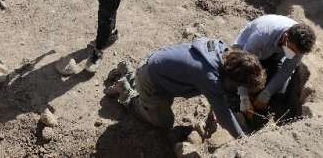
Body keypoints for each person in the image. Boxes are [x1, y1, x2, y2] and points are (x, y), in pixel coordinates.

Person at [105, 41, 265, 139]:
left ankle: (127, 70)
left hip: (158, 68)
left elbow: (219, 94)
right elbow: (224, 116)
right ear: (232, 77)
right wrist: (244, 140)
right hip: (153, 82)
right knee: (164, 123)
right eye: (239, 86)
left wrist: (212, 114)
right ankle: (126, 91)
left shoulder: (223, 52)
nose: (239, 90)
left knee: (145, 79)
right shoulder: (209, 76)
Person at [231, 15, 316, 122]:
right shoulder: (261, 36)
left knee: (280, 90)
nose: (294, 54)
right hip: (245, 52)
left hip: (273, 54)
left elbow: (286, 70)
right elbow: (242, 64)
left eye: (296, 52)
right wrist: (243, 97)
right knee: (234, 80)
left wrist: (266, 94)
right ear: (286, 36)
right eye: (292, 50)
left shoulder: (297, 45)